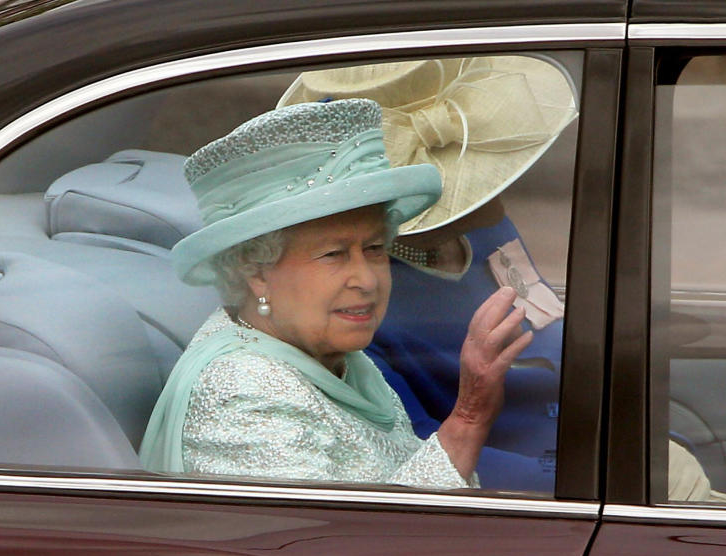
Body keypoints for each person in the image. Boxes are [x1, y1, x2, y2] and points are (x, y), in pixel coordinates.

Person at [140, 98, 533, 489]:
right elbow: (342, 544)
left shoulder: (334, 357)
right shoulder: (245, 394)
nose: (366, 279)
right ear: (255, 271)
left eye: (376, 249)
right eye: (334, 255)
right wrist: (467, 420)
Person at [278, 56, 577, 492]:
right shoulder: (360, 304)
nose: (500, 183)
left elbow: (544, 317)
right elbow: (417, 457)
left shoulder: (487, 229)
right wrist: (586, 473)